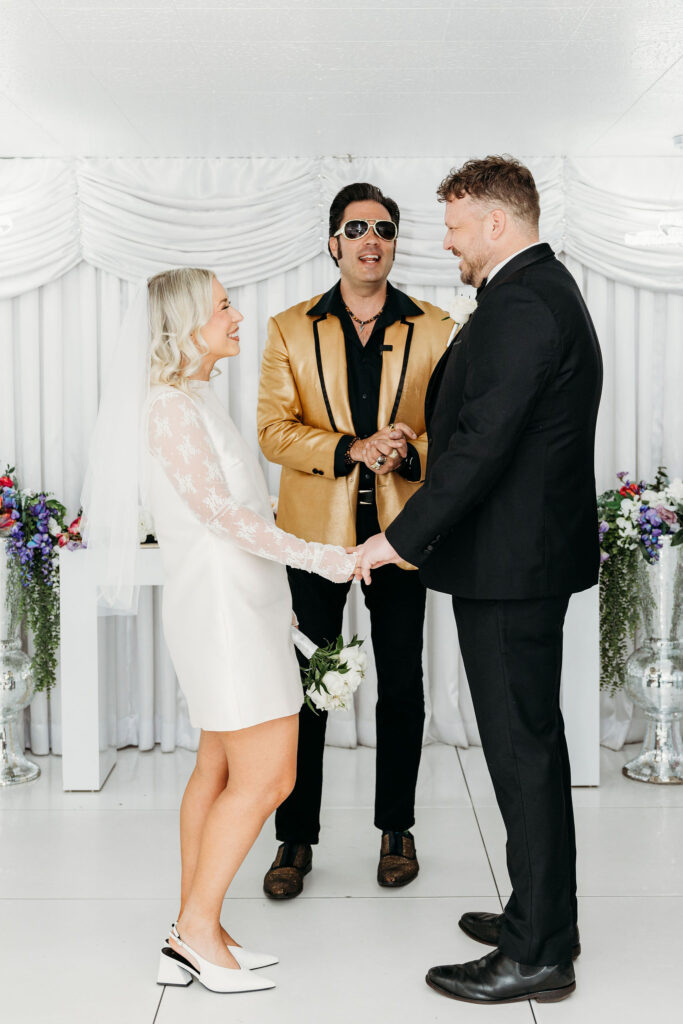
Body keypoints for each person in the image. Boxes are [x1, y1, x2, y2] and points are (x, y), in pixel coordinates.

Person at [354, 156, 602, 1005]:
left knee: (520, 754)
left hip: (510, 567)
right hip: (517, 558)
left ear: (496, 223)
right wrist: (417, 446)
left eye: (456, 228)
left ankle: (537, 953)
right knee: (528, 745)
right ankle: (542, 915)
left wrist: (399, 536)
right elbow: (498, 425)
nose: (448, 245)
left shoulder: (525, 299)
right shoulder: (533, 292)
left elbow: (489, 444)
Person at [81, 268, 358, 995]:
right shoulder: (169, 409)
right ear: (184, 326)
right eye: (225, 306)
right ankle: (194, 932)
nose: (239, 317)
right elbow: (223, 519)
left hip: (245, 602)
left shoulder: (193, 398)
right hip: (224, 613)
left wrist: (285, 595)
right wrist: (326, 559)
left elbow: (243, 508)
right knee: (270, 777)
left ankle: (194, 927)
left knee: (218, 769)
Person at [257, 183, 452, 897]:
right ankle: (293, 839)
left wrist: (409, 453)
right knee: (306, 690)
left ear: (395, 243)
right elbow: (273, 432)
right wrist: (351, 448)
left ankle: (395, 829)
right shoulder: (287, 328)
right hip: (313, 541)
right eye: (356, 227)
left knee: (401, 682)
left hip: (403, 538)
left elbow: (455, 435)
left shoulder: (437, 327)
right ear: (332, 242)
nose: (371, 239)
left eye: (384, 228)